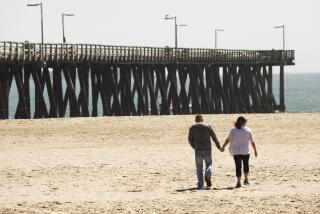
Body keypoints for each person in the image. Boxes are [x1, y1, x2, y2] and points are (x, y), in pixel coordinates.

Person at [221, 116, 258, 188]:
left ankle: (238, 182)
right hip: (245, 151)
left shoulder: (233, 130)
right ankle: (246, 179)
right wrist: (255, 150)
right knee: (246, 165)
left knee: (238, 166)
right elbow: (252, 142)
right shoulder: (248, 130)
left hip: (236, 151)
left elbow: (228, 140)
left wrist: (223, 146)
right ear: (244, 122)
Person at [188, 114, 222, 189]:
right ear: (202, 120)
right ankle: (208, 175)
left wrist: (194, 146)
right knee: (209, 164)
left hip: (198, 150)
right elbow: (214, 137)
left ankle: (200, 184)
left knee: (199, 167)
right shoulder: (208, 126)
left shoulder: (192, 127)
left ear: (195, 120)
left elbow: (190, 139)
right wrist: (219, 146)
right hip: (207, 149)